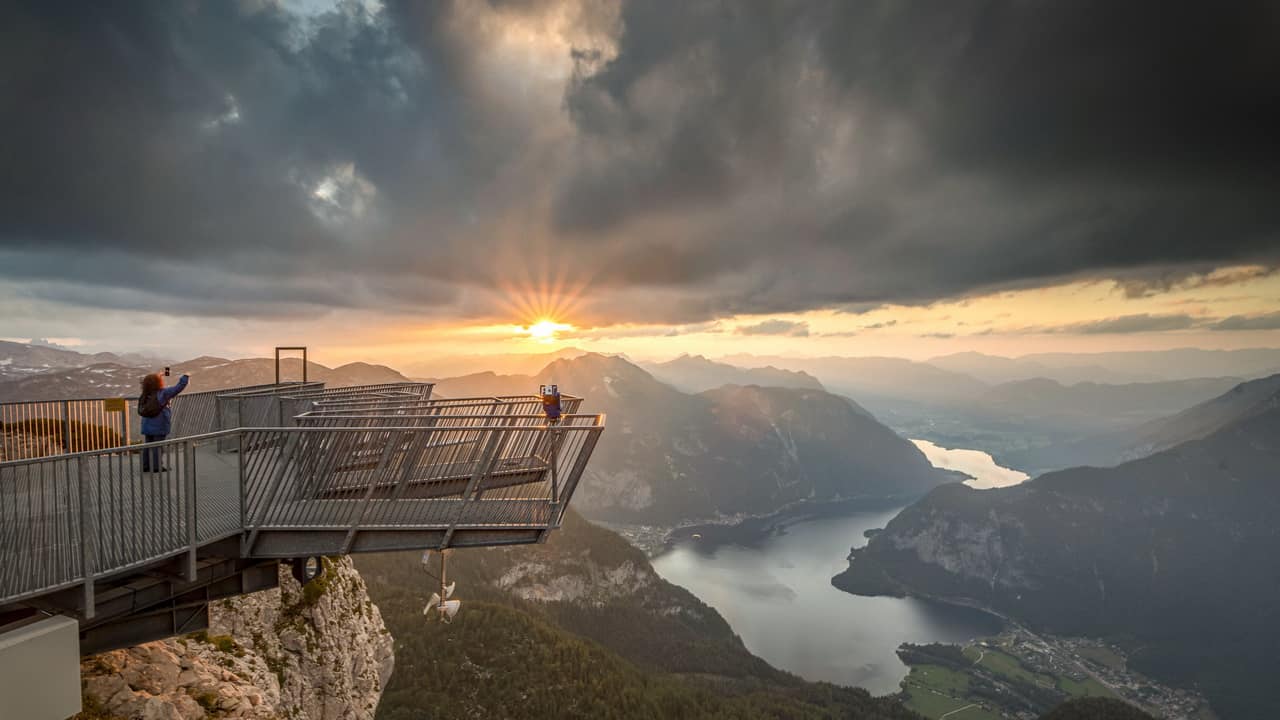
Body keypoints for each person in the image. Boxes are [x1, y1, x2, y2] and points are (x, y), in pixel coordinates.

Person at [139, 372, 190, 472]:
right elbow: (178, 387)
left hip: (146, 425)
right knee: (158, 447)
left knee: (147, 445)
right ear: (158, 383)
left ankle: (146, 466)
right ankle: (157, 467)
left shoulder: (145, 394)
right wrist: (186, 376)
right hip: (159, 424)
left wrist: (158, 376)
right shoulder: (163, 393)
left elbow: (151, 384)